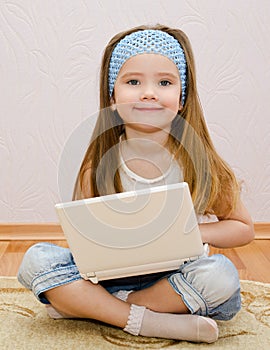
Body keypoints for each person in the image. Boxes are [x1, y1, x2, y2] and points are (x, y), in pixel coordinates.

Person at [18, 24, 254, 344]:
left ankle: (97, 309)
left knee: (220, 277)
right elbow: (86, 238)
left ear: (181, 99)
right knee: (37, 260)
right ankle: (149, 322)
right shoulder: (98, 167)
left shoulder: (200, 164)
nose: (149, 92)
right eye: (133, 82)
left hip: (172, 282)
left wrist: (188, 230)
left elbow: (242, 228)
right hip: (111, 277)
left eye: (165, 82)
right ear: (113, 97)